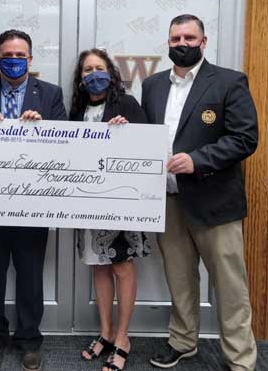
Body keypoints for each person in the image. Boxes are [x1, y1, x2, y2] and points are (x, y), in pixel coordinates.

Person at [141, 14, 258, 370]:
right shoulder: (152, 85)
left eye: (190, 37)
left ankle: (240, 358)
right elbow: (146, 137)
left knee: (229, 285)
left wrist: (197, 160)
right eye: (175, 38)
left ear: (204, 42)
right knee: (179, 279)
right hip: (169, 200)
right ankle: (183, 341)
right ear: (168, 43)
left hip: (215, 202)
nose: (182, 44)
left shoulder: (228, 81)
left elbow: (244, 138)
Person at [0, 29, 66, 371]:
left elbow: (67, 142)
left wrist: (44, 126)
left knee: (31, 275)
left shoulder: (50, 94)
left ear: (31, 59)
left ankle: (29, 340)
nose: (14, 61)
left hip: (33, 203)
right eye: (8, 55)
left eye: (21, 56)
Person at [69, 48, 151, 371]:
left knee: (120, 266)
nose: (93, 74)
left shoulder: (127, 104)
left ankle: (122, 337)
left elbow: (147, 148)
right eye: (87, 69)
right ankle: (104, 332)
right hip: (87, 201)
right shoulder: (76, 110)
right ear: (80, 78)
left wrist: (125, 132)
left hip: (120, 203)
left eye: (99, 67)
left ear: (110, 72)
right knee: (98, 266)